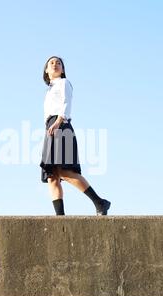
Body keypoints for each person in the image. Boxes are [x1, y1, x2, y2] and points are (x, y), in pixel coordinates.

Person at [39, 56, 111, 216]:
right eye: (52, 63)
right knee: (52, 177)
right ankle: (60, 218)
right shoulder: (49, 90)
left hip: (61, 125)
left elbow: (66, 102)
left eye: (59, 63)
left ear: (63, 69)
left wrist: (58, 121)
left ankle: (100, 202)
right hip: (50, 128)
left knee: (64, 171)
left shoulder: (64, 83)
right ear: (46, 70)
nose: (55, 65)